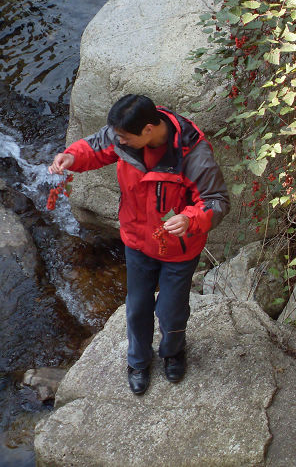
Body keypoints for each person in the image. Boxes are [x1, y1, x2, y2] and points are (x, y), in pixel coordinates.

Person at [48, 94, 230, 395]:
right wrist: (72, 157)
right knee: (137, 307)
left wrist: (190, 219)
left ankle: (173, 352)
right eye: (117, 136)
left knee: (171, 311)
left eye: (124, 137)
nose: (118, 141)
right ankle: (138, 362)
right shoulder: (127, 134)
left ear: (148, 130)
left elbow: (217, 200)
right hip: (136, 240)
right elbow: (97, 146)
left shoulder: (193, 155)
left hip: (179, 248)